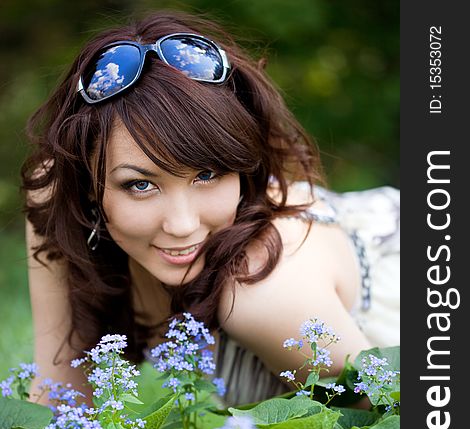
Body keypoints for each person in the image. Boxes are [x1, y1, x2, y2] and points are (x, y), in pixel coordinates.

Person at [22, 10, 399, 408]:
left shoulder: (265, 290)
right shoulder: (59, 200)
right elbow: (60, 396)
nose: (183, 225)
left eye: (207, 174)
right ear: (88, 187)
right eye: (141, 185)